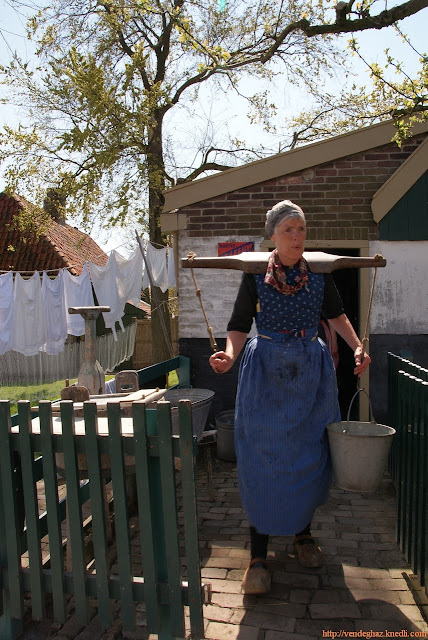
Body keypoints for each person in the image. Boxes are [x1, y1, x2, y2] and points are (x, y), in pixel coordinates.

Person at [209, 200, 371, 595]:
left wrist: (356, 347)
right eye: (288, 231)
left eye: (301, 229)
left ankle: (302, 536)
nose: (296, 237)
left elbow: (336, 316)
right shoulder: (254, 276)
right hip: (265, 373)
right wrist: (229, 356)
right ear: (272, 237)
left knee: (307, 454)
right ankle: (258, 556)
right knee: (262, 457)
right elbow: (238, 324)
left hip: (309, 376)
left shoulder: (319, 274)